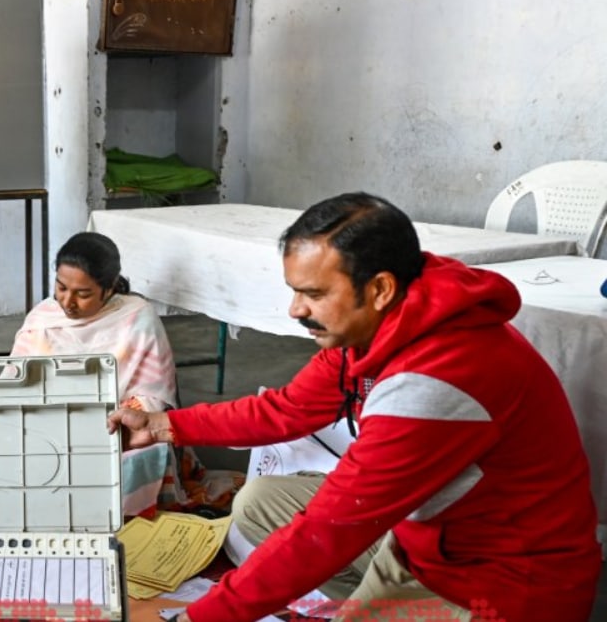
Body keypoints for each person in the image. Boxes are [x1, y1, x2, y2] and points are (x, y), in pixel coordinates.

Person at [108, 193, 602, 621]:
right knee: (258, 501)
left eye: (313, 293)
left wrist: (198, 618)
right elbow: (285, 410)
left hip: (503, 584)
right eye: (295, 291)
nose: (295, 310)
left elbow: (327, 531)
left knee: (316, 537)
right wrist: (163, 424)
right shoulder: (376, 329)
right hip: (427, 540)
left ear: (380, 288)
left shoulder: (436, 380)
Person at [14, 233, 235, 516]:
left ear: (108, 289)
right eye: (61, 288)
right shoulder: (42, 319)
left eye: (83, 294)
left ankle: (122, 523)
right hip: (49, 422)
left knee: (139, 452)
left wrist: (106, 423)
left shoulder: (136, 317)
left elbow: (154, 395)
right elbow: (15, 382)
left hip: (116, 423)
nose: (67, 302)